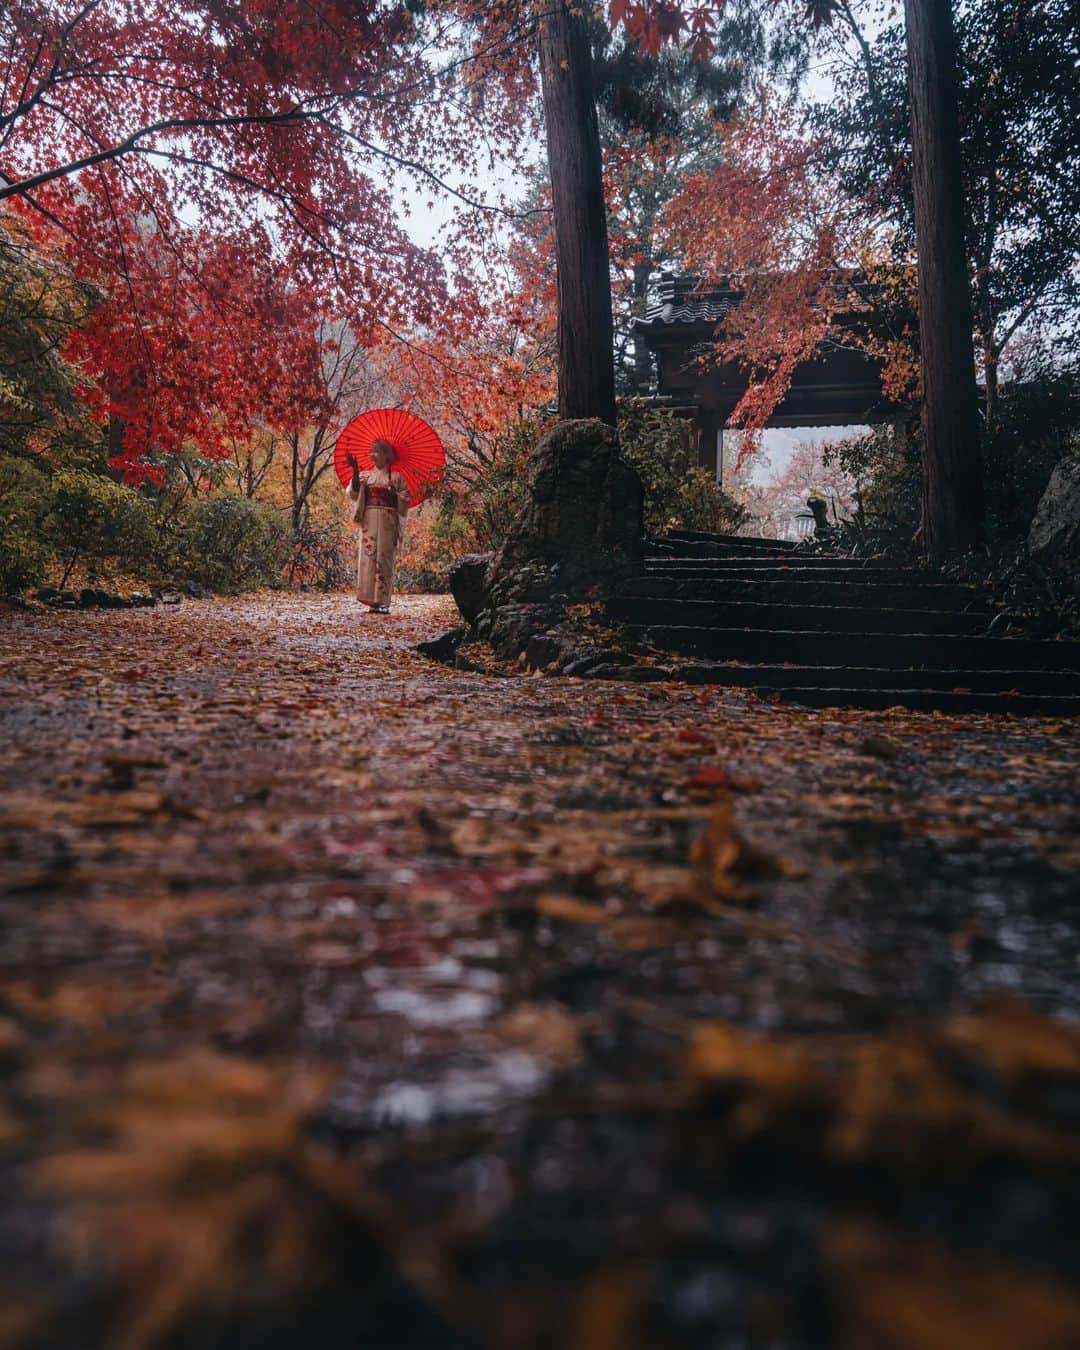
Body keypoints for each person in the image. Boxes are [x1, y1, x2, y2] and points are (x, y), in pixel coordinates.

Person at [345, 439, 410, 613]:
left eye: (377, 451)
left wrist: (394, 493)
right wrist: (355, 469)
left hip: (388, 519)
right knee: (369, 556)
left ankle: (383, 602)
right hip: (370, 519)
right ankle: (371, 601)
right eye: (371, 451)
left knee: (385, 558)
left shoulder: (396, 478)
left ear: (386, 455)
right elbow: (354, 493)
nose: (372, 455)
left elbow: (405, 500)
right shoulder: (366, 475)